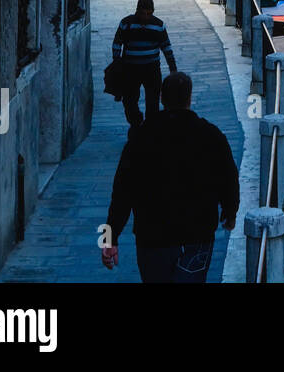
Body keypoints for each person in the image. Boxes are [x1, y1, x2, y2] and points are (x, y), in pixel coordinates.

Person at [101, 72, 239, 283]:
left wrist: (110, 239)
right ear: (189, 98)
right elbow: (228, 178)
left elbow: (121, 191)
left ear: (162, 99)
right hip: (197, 234)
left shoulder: (141, 137)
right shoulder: (211, 135)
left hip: (153, 237)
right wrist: (230, 213)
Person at [111, 0, 178, 129]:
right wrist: (117, 62)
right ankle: (136, 123)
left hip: (151, 69)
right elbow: (117, 43)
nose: (145, 17)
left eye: (149, 14)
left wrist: (173, 69)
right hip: (130, 70)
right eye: (142, 13)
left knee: (153, 102)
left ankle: (149, 129)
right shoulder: (126, 23)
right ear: (137, 11)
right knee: (129, 101)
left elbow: (166, 47)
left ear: (152, 12)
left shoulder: (158, 25)